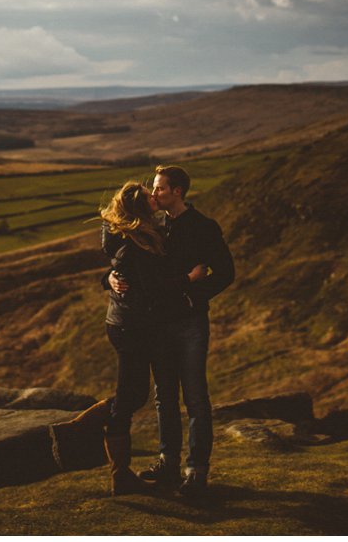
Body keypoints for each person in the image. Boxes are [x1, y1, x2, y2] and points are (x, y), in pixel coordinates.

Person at [49, 181, 191, 495]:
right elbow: (149, 285)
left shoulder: (142, 235)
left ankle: (86, 435)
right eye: (149, 197)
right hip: (130, 328)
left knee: (132, 395)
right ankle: (113, 467)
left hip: (130, 325)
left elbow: (120, 272)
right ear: (142, 210)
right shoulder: (136, 244)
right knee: (129, 398)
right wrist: (189, 279)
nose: (155, 197)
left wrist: (109, 278)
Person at [110, 164, 234, 499]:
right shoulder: (156, 226)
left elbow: (225, 272)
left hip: (191, 323)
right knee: (164, 396)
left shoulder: (204, 227)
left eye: (160, 188)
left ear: (177, 191)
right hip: (158, 325)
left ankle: (196, 472)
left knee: (195, 397)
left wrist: (192, 296)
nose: (154, 193)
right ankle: (168, 463)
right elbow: (126, 263)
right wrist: (109, 279)